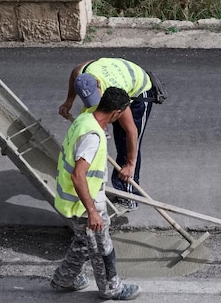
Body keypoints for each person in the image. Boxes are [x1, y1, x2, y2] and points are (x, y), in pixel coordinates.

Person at [51, 87, 141, 301]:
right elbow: (78, 175)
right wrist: (92, 211)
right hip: (84, 204)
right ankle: (111, 288)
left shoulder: (84, 119)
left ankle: (63, 279)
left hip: (74, 200)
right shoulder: (92, 136)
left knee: (83, 242)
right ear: (116, 113)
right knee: (102, 248)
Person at [58, 57, 157, 210]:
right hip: (115, 76)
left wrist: (130, 165)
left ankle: (128, 196)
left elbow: (132, 131)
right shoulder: (81, 73)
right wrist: (69, 101)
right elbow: (74, 74)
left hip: (139, 90)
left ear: (101, 90)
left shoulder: (116, 94)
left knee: (125, 141)